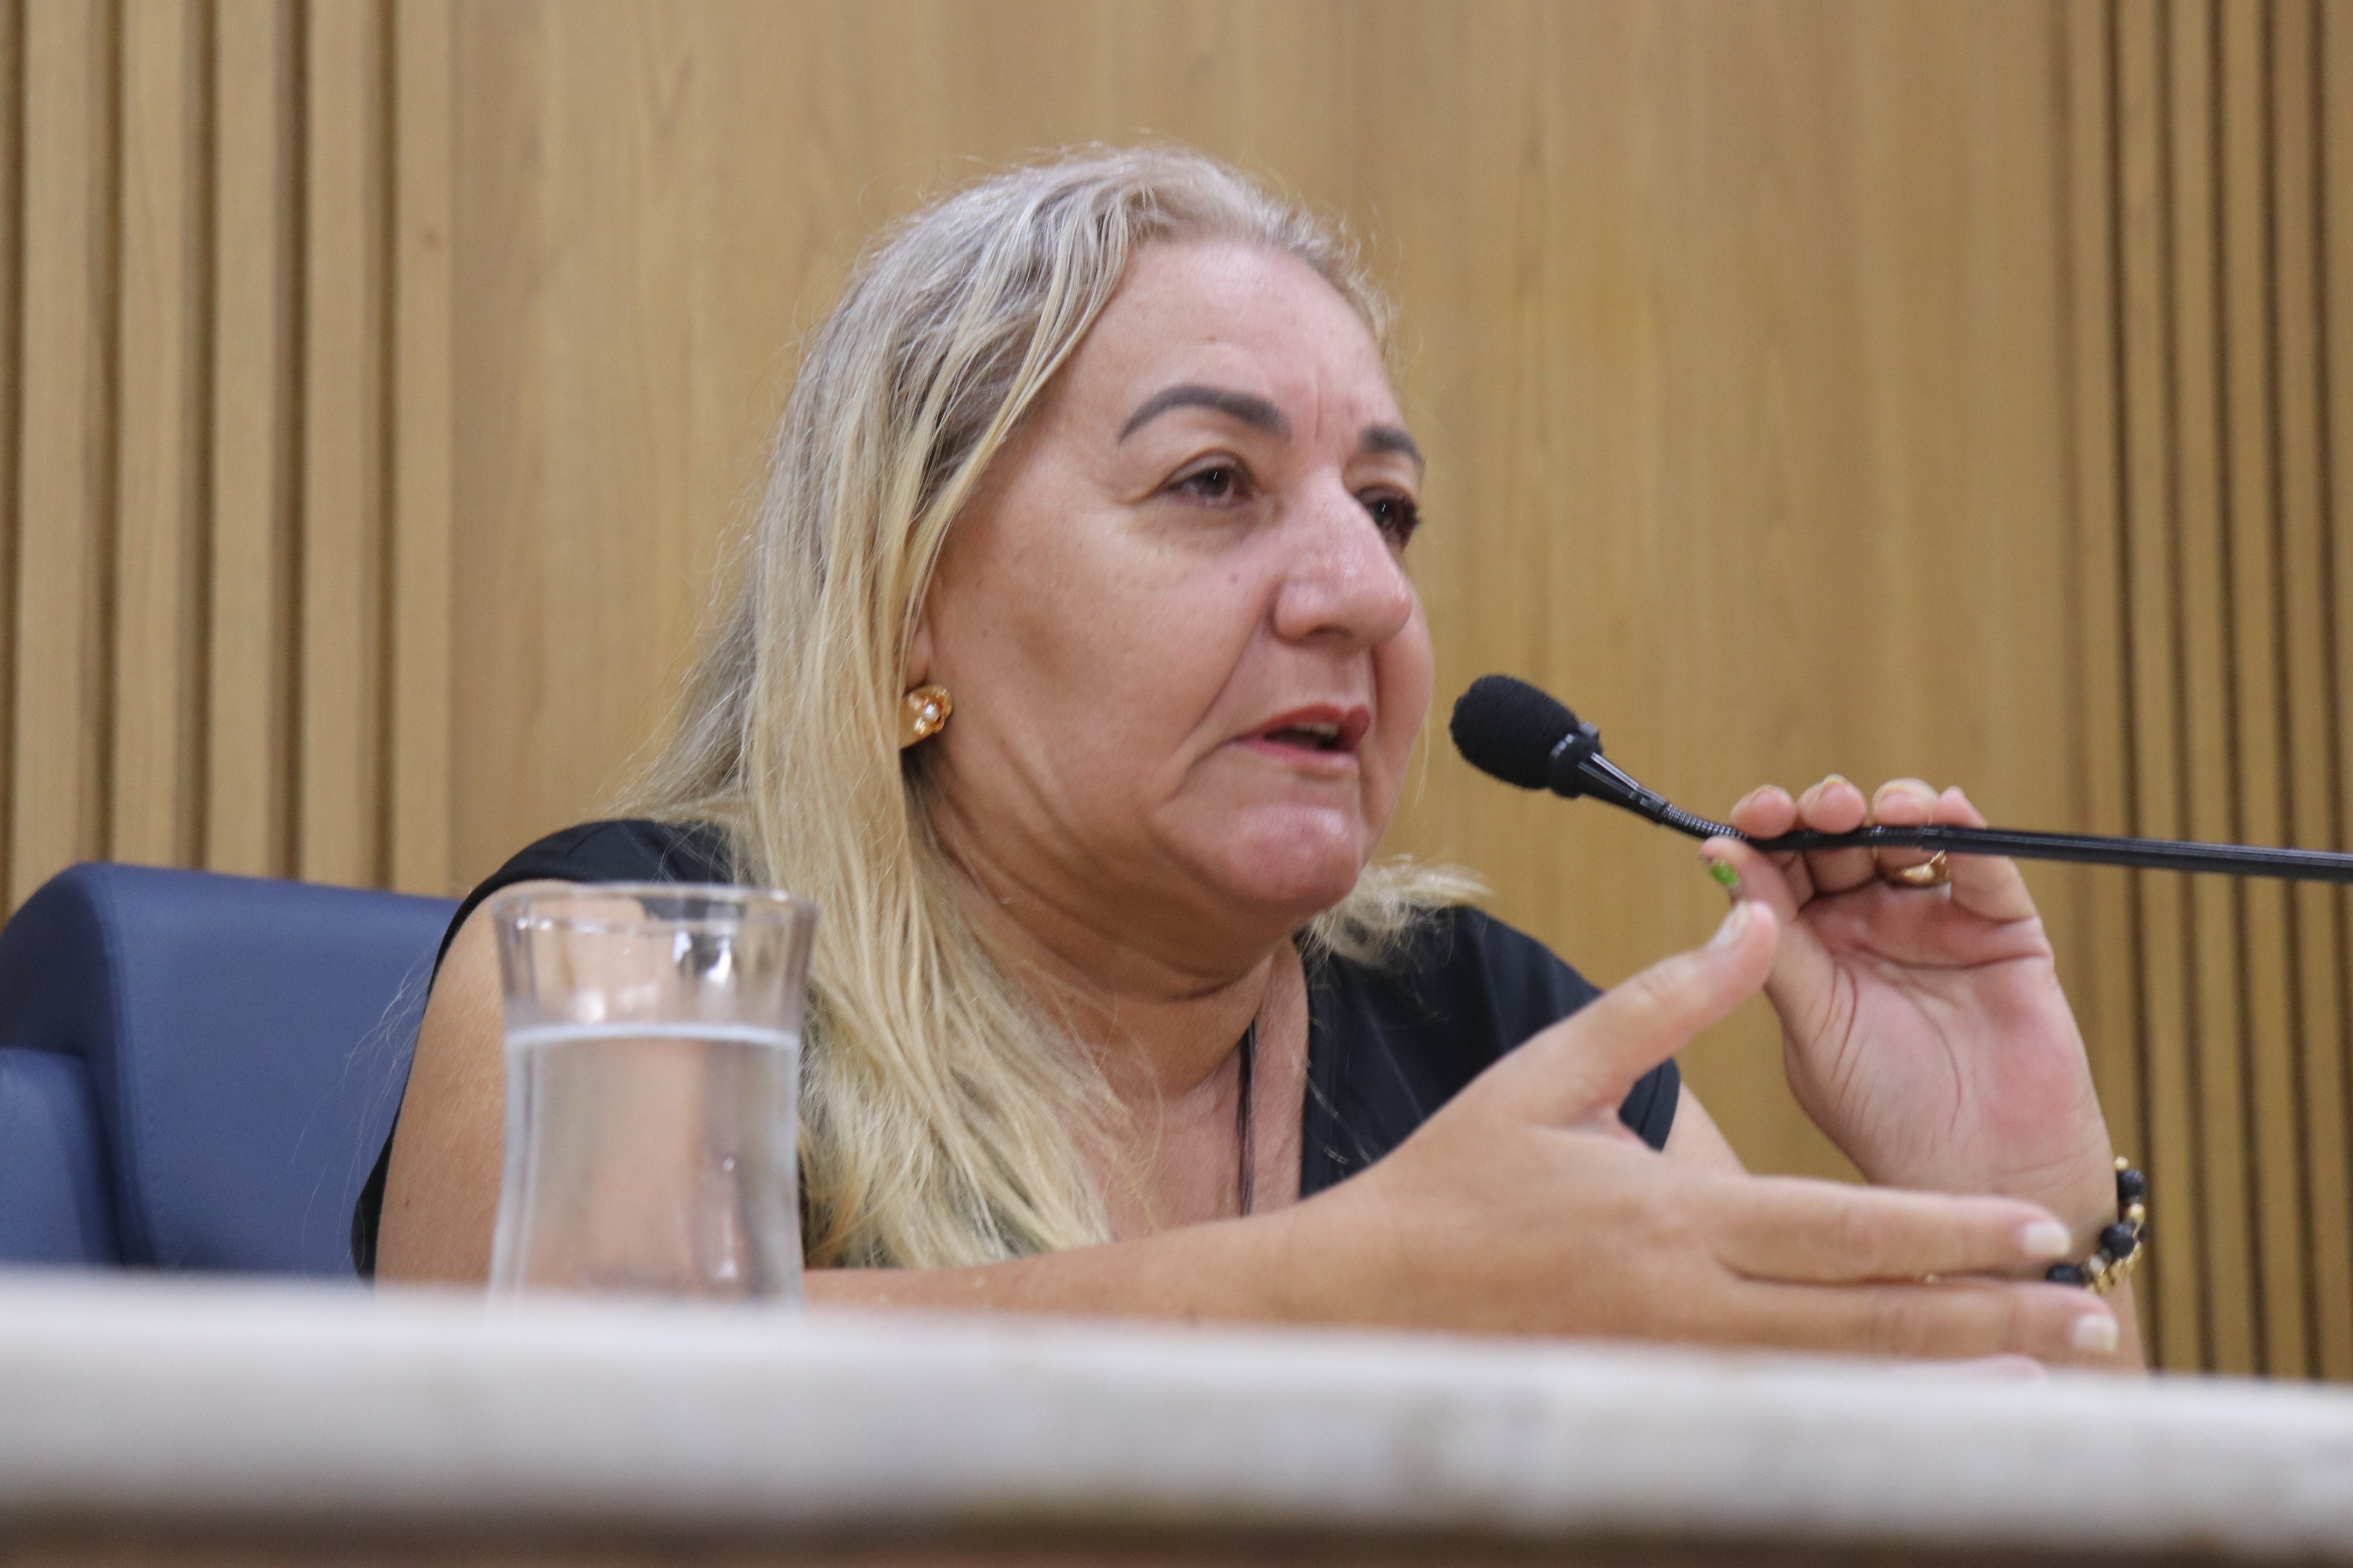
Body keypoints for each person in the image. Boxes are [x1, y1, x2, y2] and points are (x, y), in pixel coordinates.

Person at [361, 148, 2140, 1364]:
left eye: (1388, 509)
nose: (1366, 591)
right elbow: (557, 1446)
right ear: (907, 601)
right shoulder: (647, 965)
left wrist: (2018, 1195)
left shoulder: (1485, 1029)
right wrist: (1336, 1297)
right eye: (1213, 483)